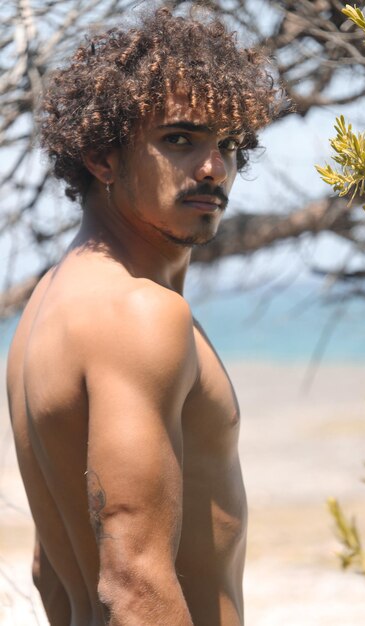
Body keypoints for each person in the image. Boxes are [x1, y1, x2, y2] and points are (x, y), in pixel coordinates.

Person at [7, 6, 281, 625]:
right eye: (180, 140)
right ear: (102, 158)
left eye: (230, 146)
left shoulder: (48, 309)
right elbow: (134, 581)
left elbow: (51, 571)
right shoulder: (138, 313)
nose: (214, 169)